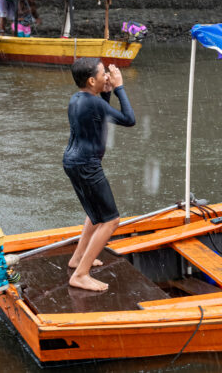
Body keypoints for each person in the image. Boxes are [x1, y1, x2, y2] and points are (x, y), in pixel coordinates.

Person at [63, 58, 136, 292]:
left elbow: (100, 115)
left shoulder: (78, 99)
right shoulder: (93, 103)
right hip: (86, 165)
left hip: (73, 162)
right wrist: (119, 88)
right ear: (92, 80)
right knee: (111, 219)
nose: (108, 76)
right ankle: (80, 274)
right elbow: (128, 119)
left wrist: (106, 93)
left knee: (95, 215)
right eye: (104, 74)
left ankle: (77, 259)